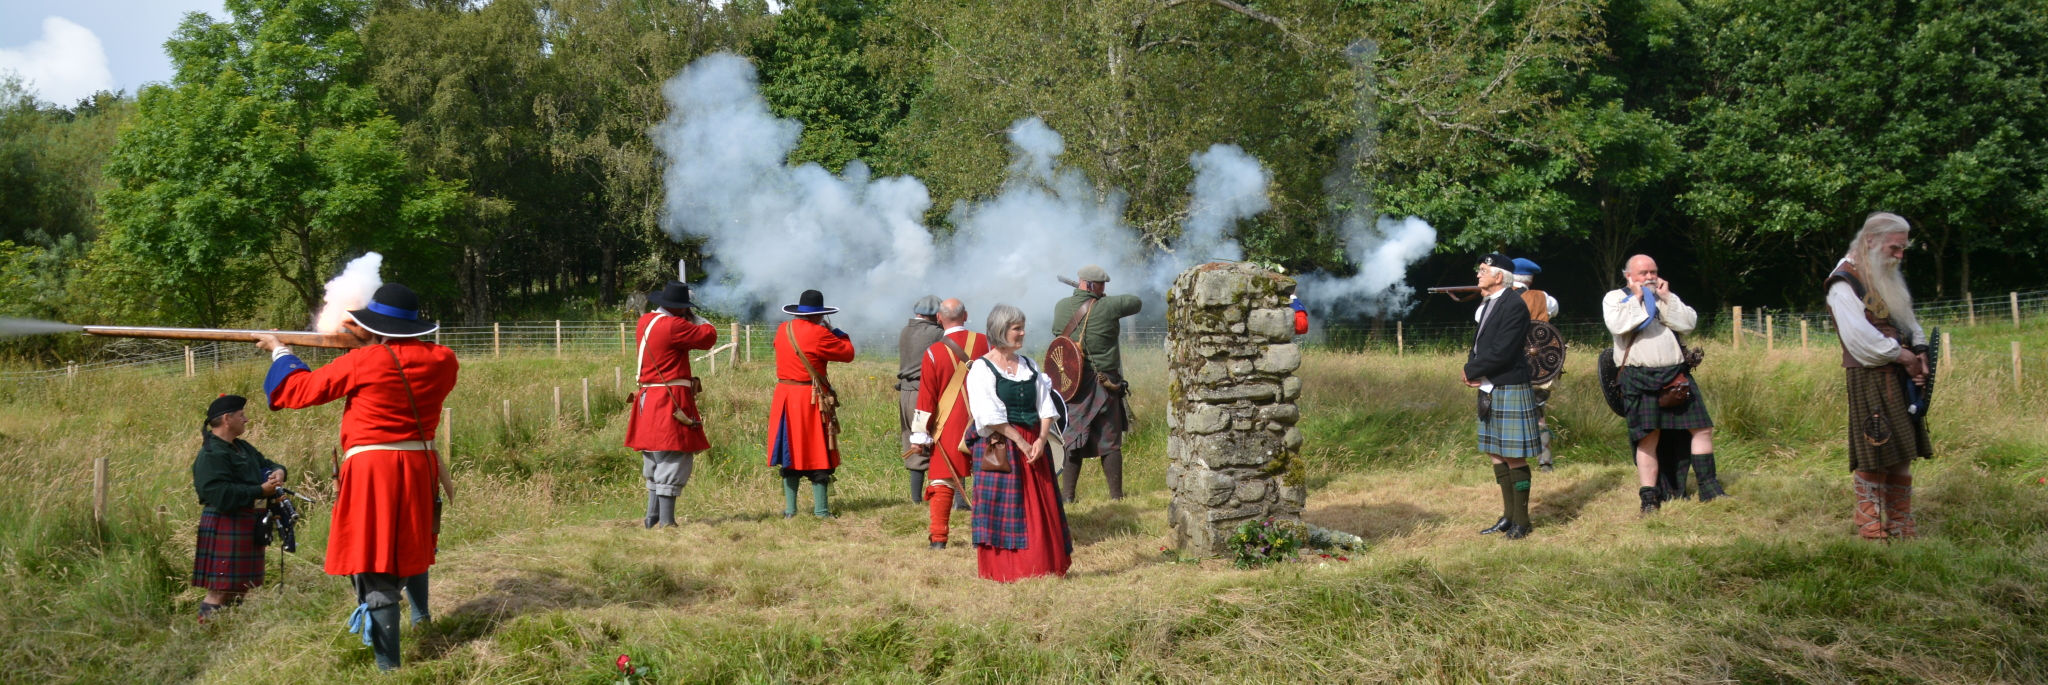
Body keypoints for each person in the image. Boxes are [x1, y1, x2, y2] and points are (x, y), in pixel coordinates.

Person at [258, 282, 457, 671]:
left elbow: (297, 391)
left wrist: (280, 350)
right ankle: (421, 618)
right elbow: (403, 359)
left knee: (374, 562)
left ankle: (390, 671)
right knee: (411, 543)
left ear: (378, 327)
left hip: (373, 472)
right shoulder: (444, 359)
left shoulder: (365, 360)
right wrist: (374, 339)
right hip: (419, 466)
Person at [1824, 212, 1931, 540]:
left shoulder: (1881, 275)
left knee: (1902, 451)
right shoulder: (1844, 281)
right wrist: (1904, 357)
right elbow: (1860, 341)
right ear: (1870, 242)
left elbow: (1905, 317)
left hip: (1899, 374)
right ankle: (1870, 527)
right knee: (1876, 449)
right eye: (1894, 248)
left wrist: (1921, 350)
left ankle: (1900, 525)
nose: (1900, 256)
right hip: (1870, 376)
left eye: (1903, 249)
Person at [1602, 254, 1723, 515]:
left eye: (1653, 272)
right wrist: (1637, 299)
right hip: (1638, 377)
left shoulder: (1665, 295)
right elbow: (1617, 325)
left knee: (1701, 429)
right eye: (1643, 272)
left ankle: (1709, 489)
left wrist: (1666, 299)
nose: (1649, 277)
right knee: (1647, 438)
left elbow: (1688, 323)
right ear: (1629, 276)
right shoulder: (1615, 298)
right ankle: (1650, 498)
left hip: (1675, 376)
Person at [968, 304, 1072, 581]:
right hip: (1001, 446)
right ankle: (1006, 571)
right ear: (1001, 331)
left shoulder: (1028, 365)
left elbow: (1046, 406)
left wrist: (1040, 439)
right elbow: (988, 415)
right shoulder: (981, 368)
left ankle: (1045, 566)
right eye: (1017, 328)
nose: (1022, 333)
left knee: (1042, 506)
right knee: (1006, 509)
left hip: (1034, 444)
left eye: (1022, 327)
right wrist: (1022, 443)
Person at [626, 281, 718, 528]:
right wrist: (695, 317)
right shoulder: (675, 325)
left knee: (655, 457)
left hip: (648, 396)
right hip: (670, 399)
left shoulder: (645, 320)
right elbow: (709, 336)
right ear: (680, 308)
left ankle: (651, 517)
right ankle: (666, 522)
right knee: (675, 455)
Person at [1050, 265, 1143, 501]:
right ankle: (1115, 496)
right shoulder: (1109, 306)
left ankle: (1068, 496)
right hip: (1103, 381)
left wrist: (1098, 298)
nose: (1104, 289)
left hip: (1072, 383)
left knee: (1072, 437)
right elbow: (1136, 302)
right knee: (1110, 439)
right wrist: (1105, 300)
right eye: (1102, 285)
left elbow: (1057, 333)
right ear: (1092, 285)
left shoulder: (1061, 306)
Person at [190, 394, 285, 622]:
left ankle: (228, 627)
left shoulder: (241, 447)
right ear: (226, 419)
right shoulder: (212, 454)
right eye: (241, 415)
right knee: (220, 589)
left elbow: (267, 463)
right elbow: (221, 494)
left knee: (240, 585)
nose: (246, 419)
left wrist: (279, 472)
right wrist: (260, 491)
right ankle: (206, 632)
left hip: (246, 520)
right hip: (225, 521)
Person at [1466, 253, 1539, 540]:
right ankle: (1508, 517)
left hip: (1509, 384)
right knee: (1496, 452)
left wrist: (1470, 370)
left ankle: (1523, 520)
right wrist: (1475, 369)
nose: (1478, 274)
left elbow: (1503, 350)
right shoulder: (1489, 305)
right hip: (1490, 385)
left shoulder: (1514, 305)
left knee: (1514, 456)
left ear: (1499, 276)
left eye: (1483, 270)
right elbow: (1482, 345)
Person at [767, 289, 856, 518]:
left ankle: (790, 511)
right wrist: (836, 331)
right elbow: (847, 353)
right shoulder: (820, 333)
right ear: (819, 315)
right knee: (819, 451)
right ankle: (821, 511)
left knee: (790, 453)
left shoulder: (782, 329)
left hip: (785, 397)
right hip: (809, 398)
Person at [910, 298, 991, 549]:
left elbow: (926, 399)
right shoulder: (985, 342)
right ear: (965, 315)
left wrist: (919, 435)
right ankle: (983, 538)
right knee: (986, 479)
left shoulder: (933, 352)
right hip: (982, 421)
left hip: (947, 426)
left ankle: (938, 539)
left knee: (942, 482)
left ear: (939, 319)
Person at [1511, 257, 1561, 471]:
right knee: (1539, 415)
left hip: (1509, 367)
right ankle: (1545, 462)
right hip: (1539, 368)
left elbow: (1479, 319)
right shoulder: (1544, 298)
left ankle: (1514, 461)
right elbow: (1553, 311)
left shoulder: (1497, 300)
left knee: (1510, 416)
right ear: (1530, 280)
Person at [896, 295, 945, 503]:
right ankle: (938, 496)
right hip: (921, 392)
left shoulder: (906, 330)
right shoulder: (936, 333)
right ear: (936, 315)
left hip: (905, 393)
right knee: (932, 442)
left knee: (912, 440)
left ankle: (915, 499)